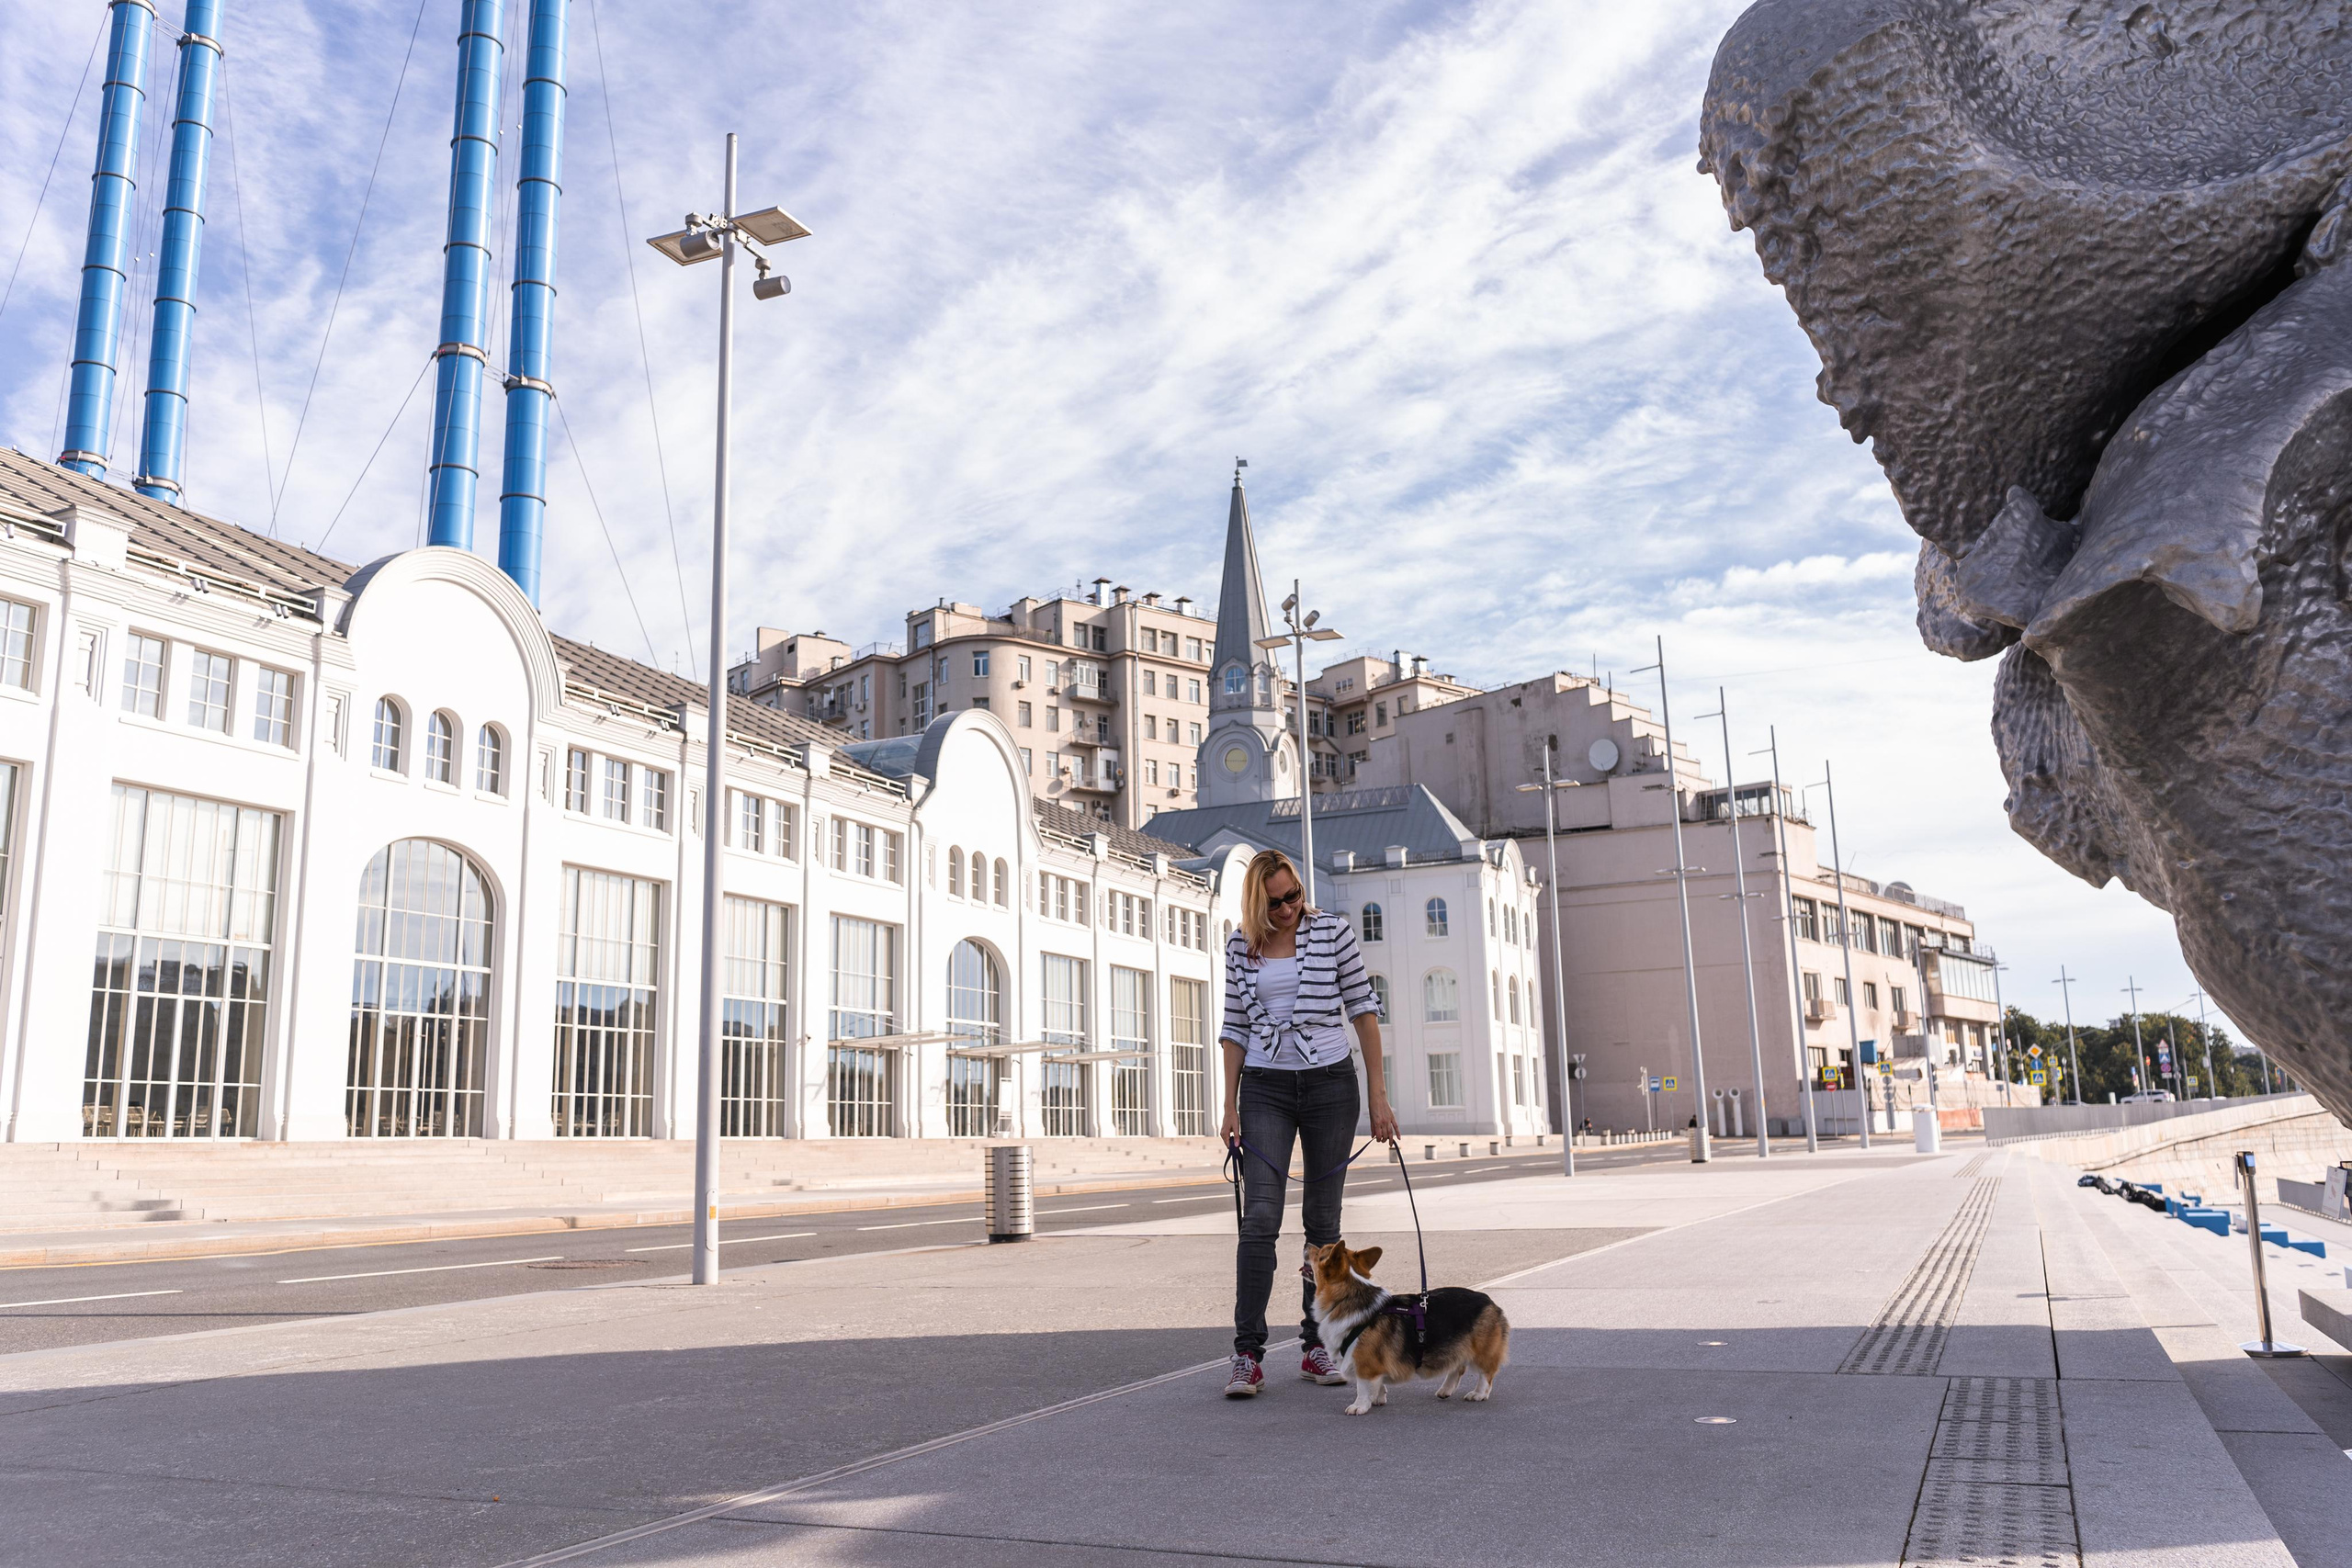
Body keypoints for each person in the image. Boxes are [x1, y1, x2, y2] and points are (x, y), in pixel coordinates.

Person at [1218, 848, 1397, 1398]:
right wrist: (1229, 1104)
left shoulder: (1333, 933)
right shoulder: (1240, 946)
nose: (1288, 908)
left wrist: (1379, 1097)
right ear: (1257, 903)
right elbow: (1234, 1027)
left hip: (1330, 1086)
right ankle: (1247, 1355)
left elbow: (1363, 1011)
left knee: (1322, 1222)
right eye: (1275, 903)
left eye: (1293, 896)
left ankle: (1316, 1344)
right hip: (1265, 1087)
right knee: (1259, 1220)